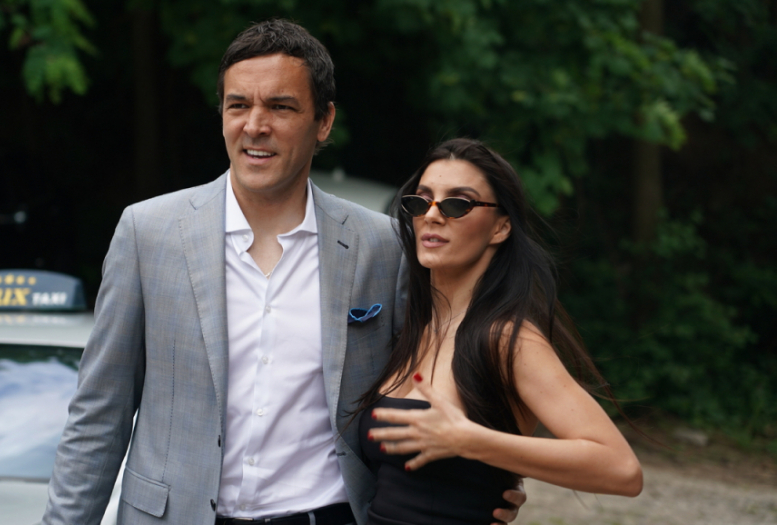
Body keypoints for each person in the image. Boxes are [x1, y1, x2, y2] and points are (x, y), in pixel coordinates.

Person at [43, 21, 525, 525]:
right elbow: (99, 415)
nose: (255, 125)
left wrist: (481, 481)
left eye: (280, 106)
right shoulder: (148, 233)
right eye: (238, 105)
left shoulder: (384, 247)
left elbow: (430, 387)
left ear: (324, 121)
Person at [360, 138, 643, 524]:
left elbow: (622, 469)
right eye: (421, 201)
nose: (433, 215)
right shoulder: (416, 328)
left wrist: (472, 442)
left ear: (500, 227)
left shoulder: (506, 339)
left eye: (458, 203)